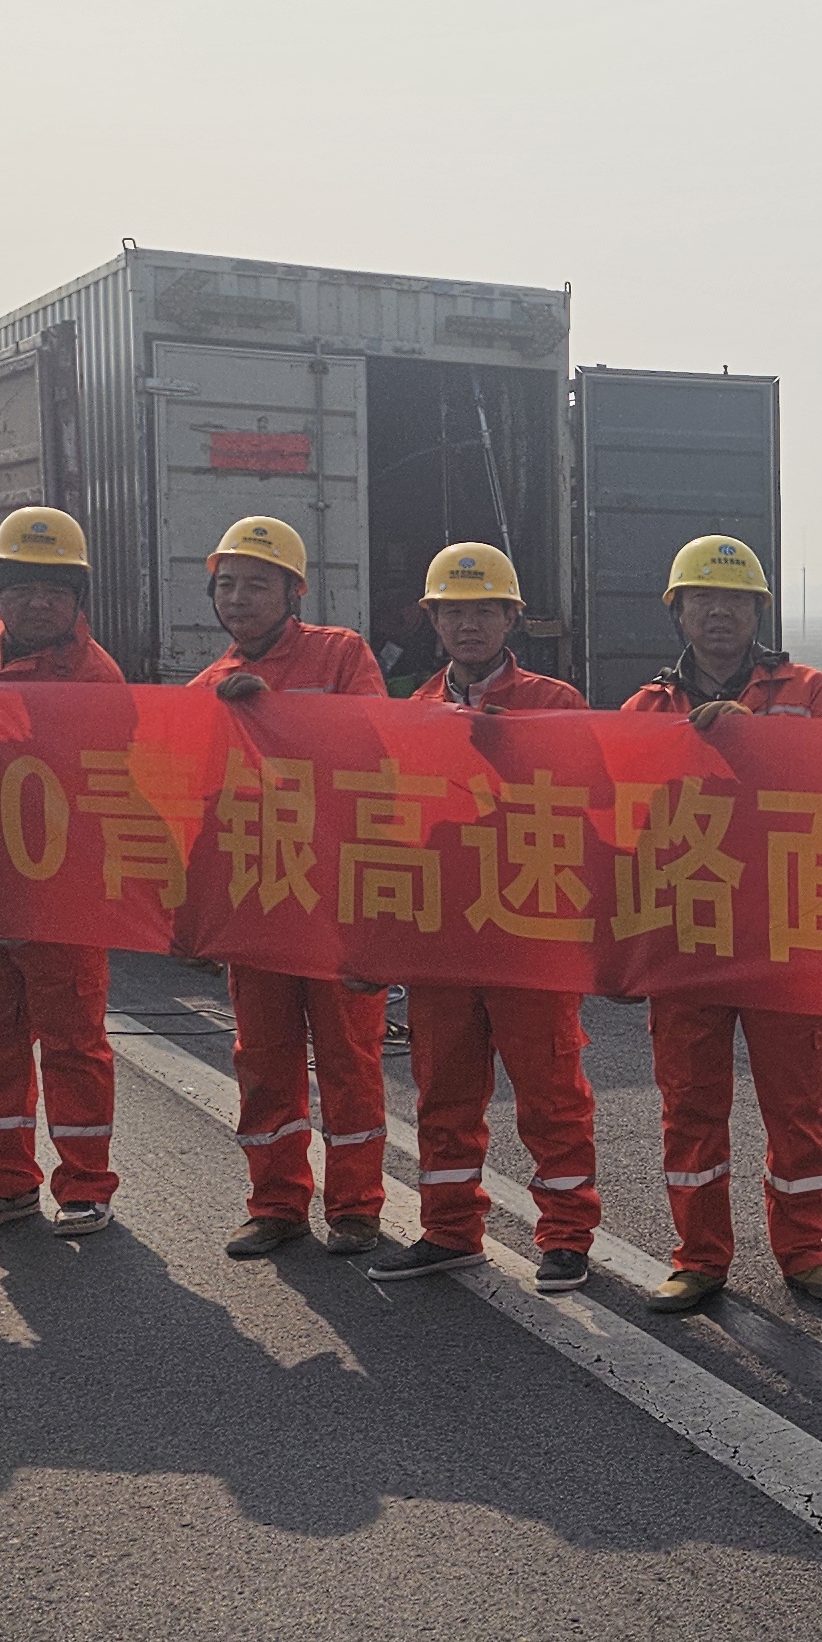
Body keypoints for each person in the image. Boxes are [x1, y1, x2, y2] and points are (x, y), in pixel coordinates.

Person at [624, 535, 822, 1314]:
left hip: (784, 933)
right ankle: (698, 1257)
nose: (718, 612)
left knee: (797, 1105)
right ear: (678, 612)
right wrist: (622, 953)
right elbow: (622, 829)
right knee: (690, 1105)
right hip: (687, 939)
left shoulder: (808, 692)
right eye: (702, 598)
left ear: (759, 611)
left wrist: (750, 738)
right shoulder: (644, 711)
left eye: (734, 600)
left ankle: (808, 1251)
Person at [367, 543, 601, 1295]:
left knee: (550, 1092)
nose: (467, 625)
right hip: (445, 934)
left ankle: (566, 1237)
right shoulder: (414, 712)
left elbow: (595, 804)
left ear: (511, 618)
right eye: (453, 612)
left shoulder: (555, 703)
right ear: (433, 621)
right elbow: (393, 825)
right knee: (444, 1091)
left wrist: (513, 755)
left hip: (530, 931)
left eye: (483, 611)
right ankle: (448, 1230)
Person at [188, 515, 395, 1260]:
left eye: (256, 584)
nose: (239, 599)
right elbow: (192, 804)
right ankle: (276, 1204)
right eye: (227, 586)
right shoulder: (206, 688)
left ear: (293, 592)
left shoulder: (340, 654)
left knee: (349, 1058)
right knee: (264, 1059)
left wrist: (275, 713)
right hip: (258, 899)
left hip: (335, 897)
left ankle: (356, 1208)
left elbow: (372, 746)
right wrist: (193, 915)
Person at [0, 509, 125, 1236]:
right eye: (22, 587)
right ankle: (5, 1183)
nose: (38, 603)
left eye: (56, 589)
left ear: (78, 598)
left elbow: (109, 783)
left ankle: (86, 1186)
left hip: (57, 894)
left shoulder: (95, 677)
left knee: (72, 1043)